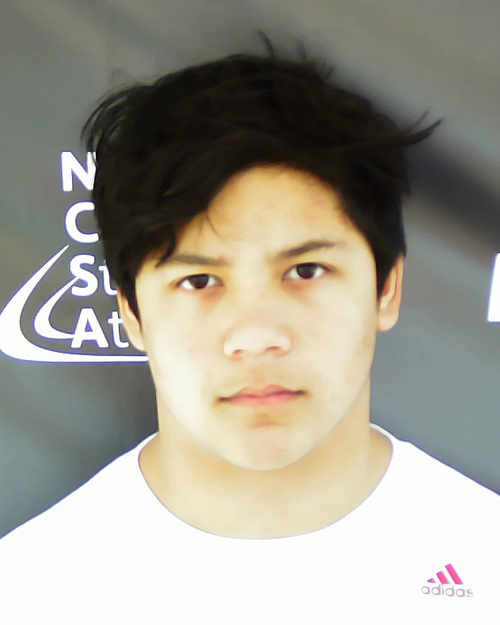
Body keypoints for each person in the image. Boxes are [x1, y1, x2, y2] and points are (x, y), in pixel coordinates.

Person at [1, 35, 499, 623]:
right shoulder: (28, 591)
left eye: (306, 270)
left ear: (385, 288)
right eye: (199, 281)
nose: (257, 335)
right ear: (131, 312)